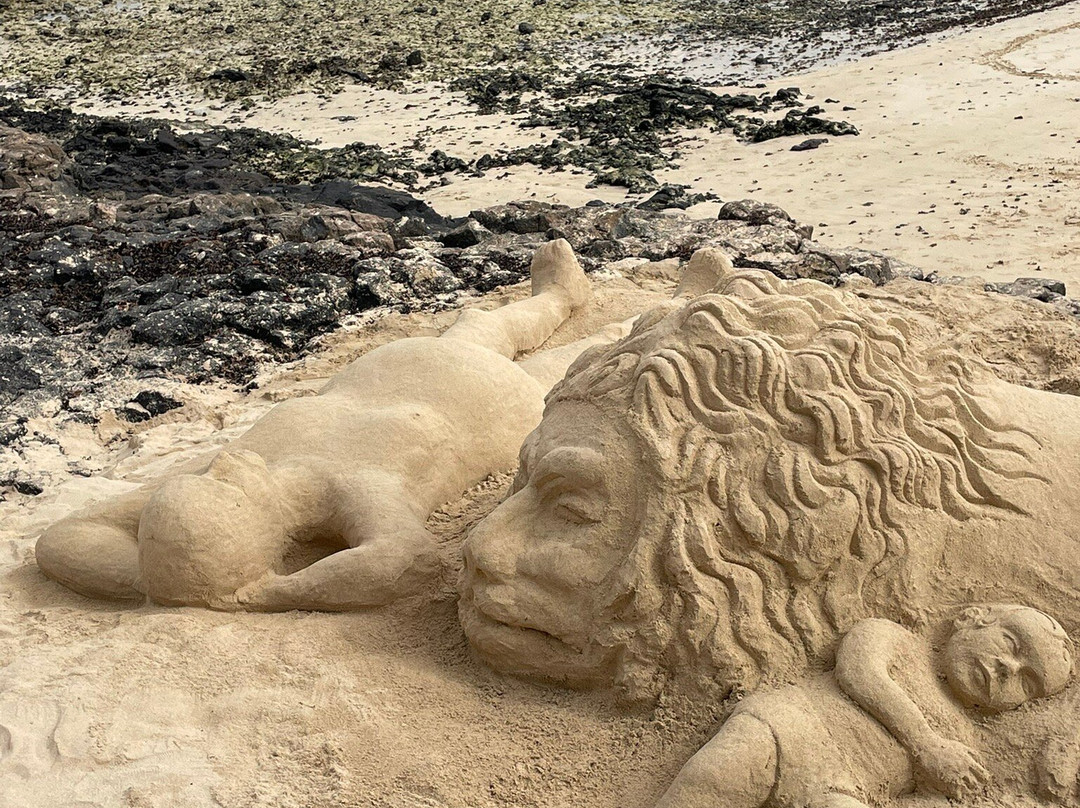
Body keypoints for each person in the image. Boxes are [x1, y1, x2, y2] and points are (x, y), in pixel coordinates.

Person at [34, 238, 647, 612]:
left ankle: (561, 298)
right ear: (251, 531)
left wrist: (154, 577)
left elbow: (64, 538)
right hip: (497, 401)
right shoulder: (349, 493)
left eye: (209, 475)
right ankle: (652, 316)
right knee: (582, 361)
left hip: (402, 366)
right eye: (225, 487)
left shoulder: (225, 480)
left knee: (492, 323)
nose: (221, 463)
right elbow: (406, 560)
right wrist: (270, 592)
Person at [655, 604, 1073, 808]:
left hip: (844, 789)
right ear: (971, 617)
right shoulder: (895, 638)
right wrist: (926, 744)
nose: (1007, 668)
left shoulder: (965, 744)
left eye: (1027, 682)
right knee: (715, 777)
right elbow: (859, 672)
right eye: (1011, 643)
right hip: (792, 728)